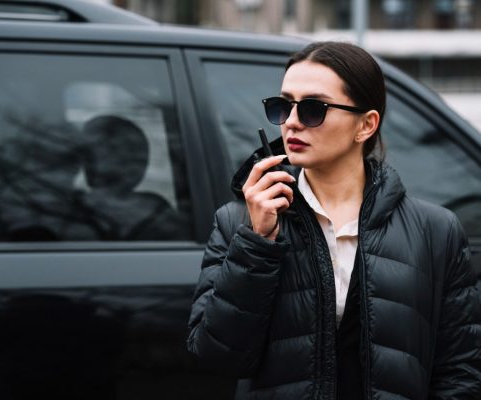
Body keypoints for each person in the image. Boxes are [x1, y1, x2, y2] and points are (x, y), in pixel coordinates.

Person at [187, 41, 481, 399]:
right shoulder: (240, 223)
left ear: (366, 125)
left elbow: (460, 371)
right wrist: (257, 242)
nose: (292, 122)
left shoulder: (435, 231)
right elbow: (217, 356)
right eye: (283, 105)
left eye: (313, 109)